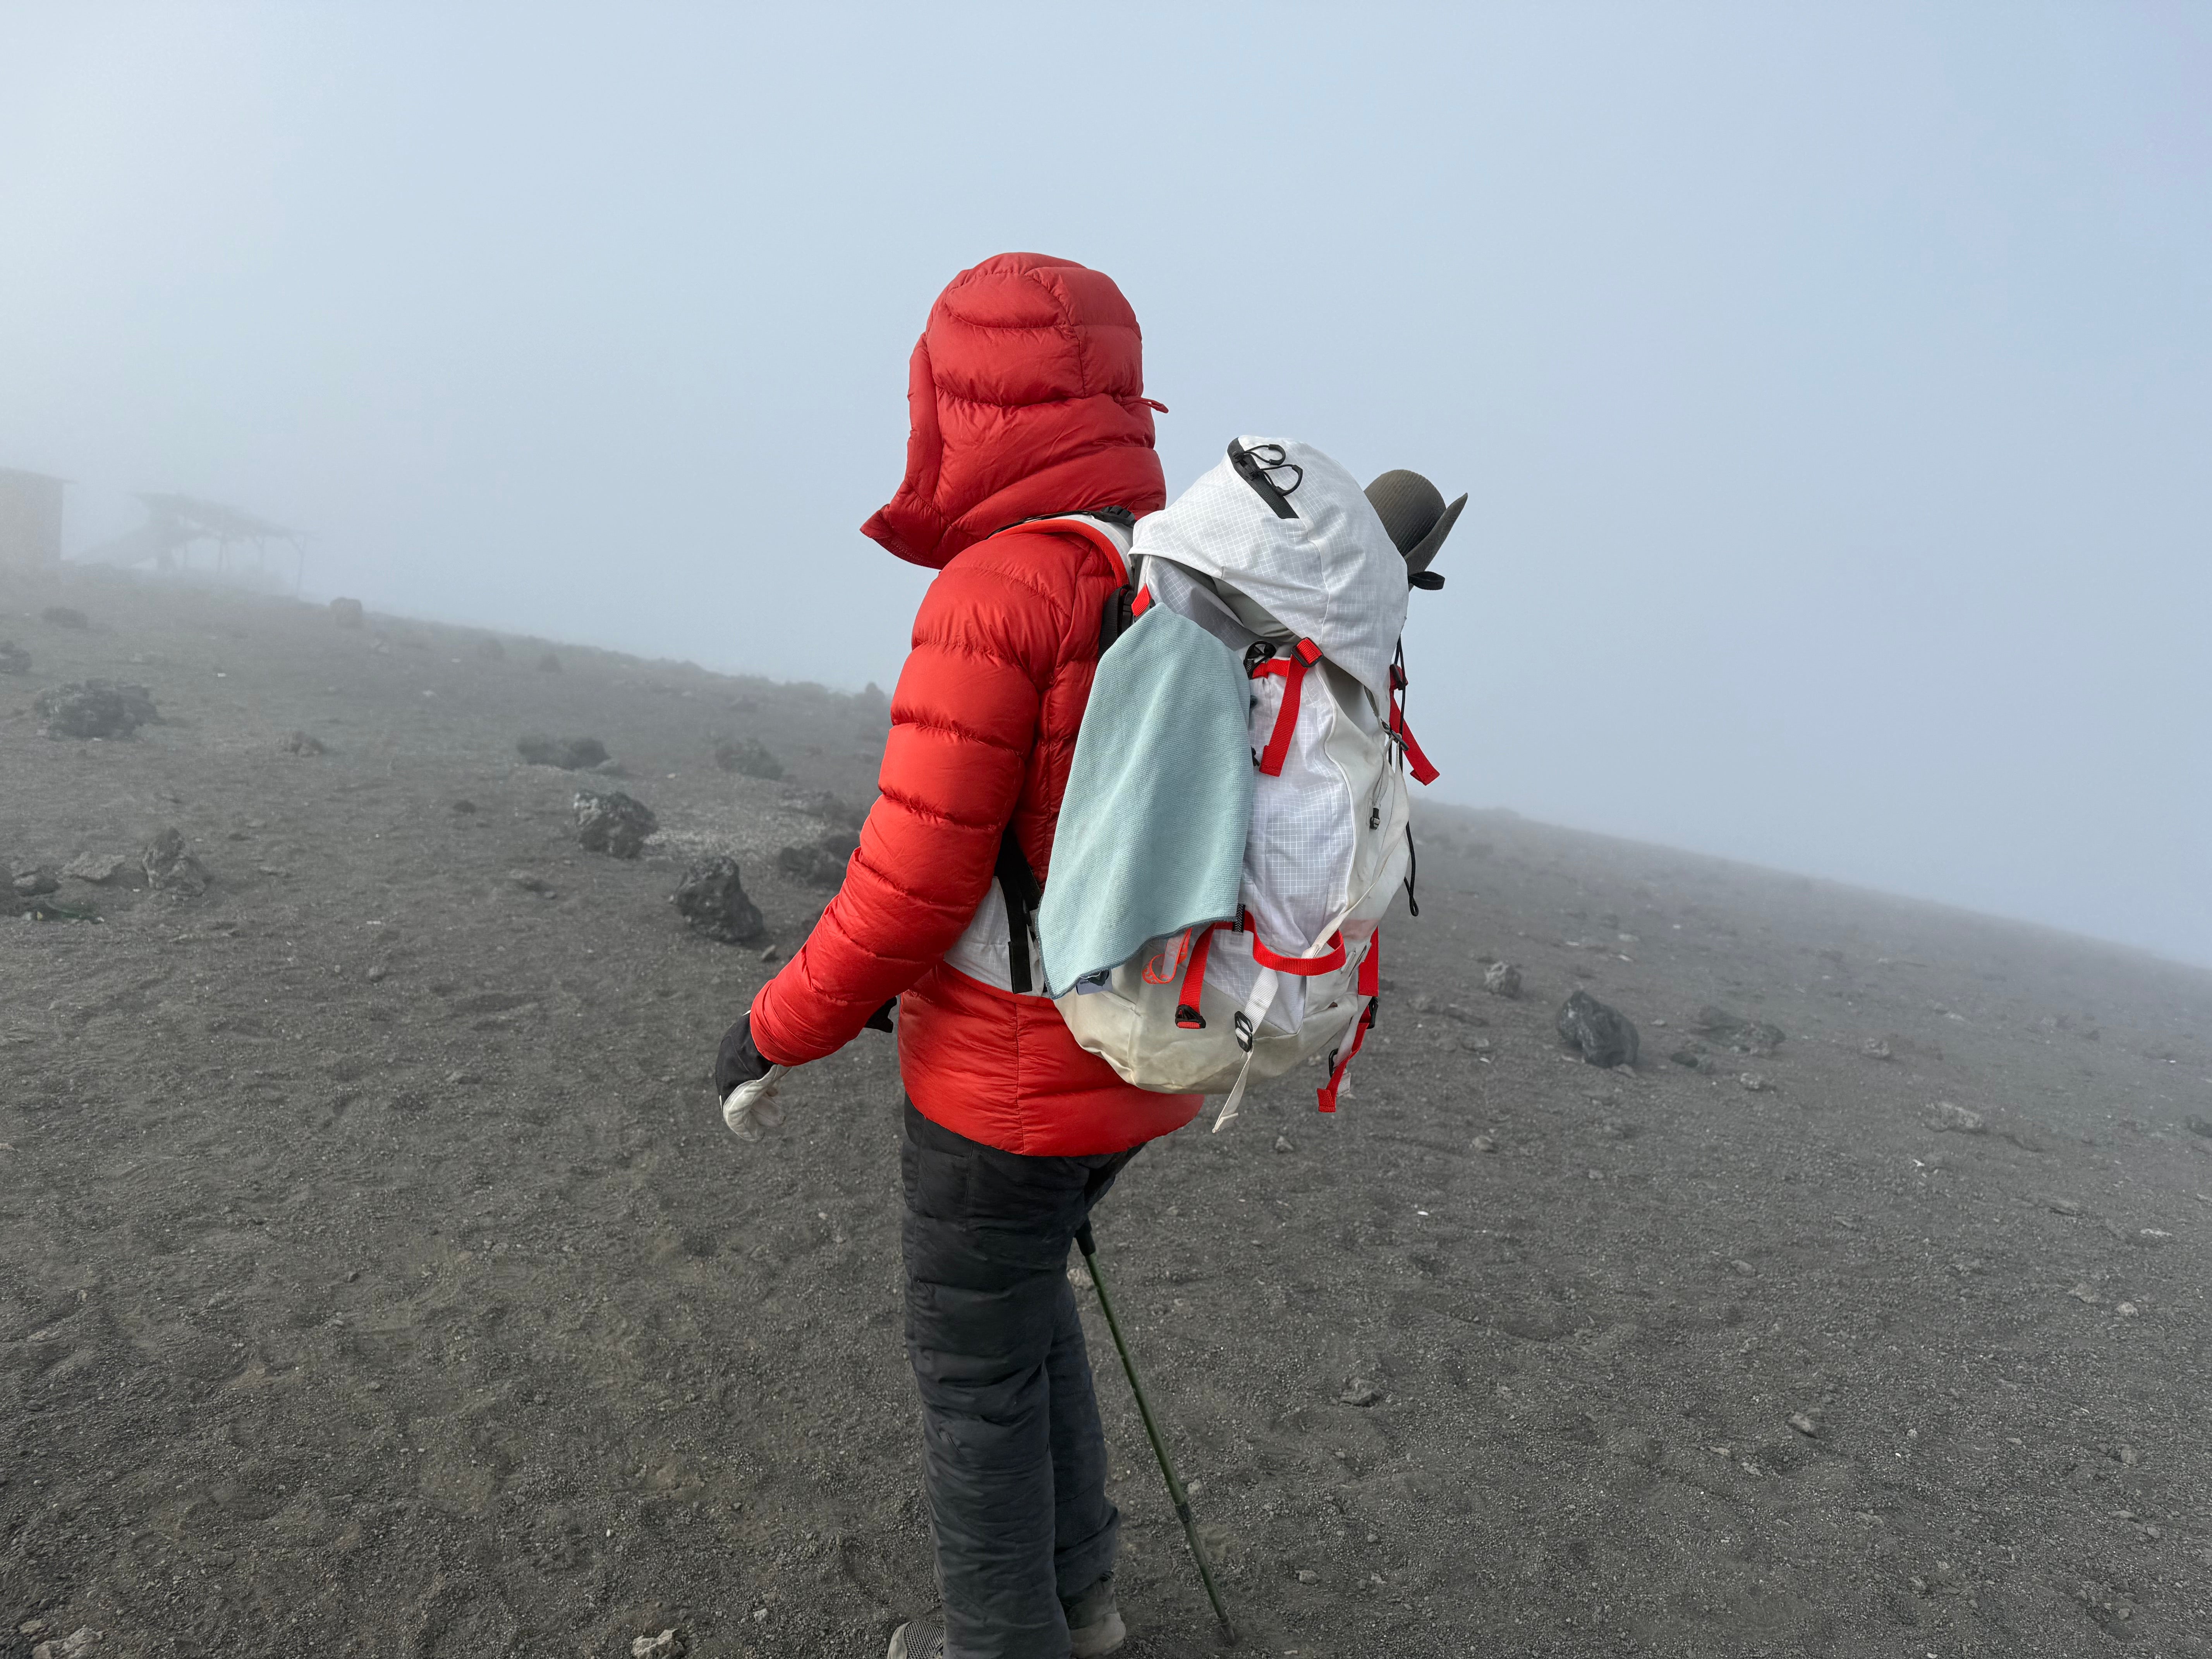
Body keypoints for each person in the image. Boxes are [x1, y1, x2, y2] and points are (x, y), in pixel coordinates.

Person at [712, 252, 1202, 1659]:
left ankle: (1009, 1638)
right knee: (1025, 1311)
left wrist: (772, 1029)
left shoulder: (1005, 588)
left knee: (976, 1367)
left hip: (1009, 1074)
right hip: (1148, 1046)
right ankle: (1083, 1601)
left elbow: (913, 884)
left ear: (957, 400)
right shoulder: (1168, 575)